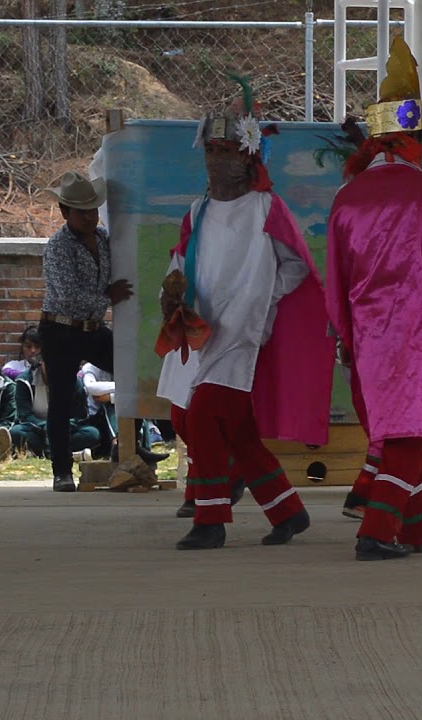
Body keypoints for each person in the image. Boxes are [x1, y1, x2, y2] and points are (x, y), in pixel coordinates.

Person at [158, 75, 335, 551]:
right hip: (202, 330)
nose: (217, 160)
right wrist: (170, 294)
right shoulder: (197, 211)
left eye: (227, 151)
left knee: (204, 418)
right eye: (211, 151)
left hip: (242, 330)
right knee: (238, 433)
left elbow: (298, 265)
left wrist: (263, 297)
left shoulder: (266, 207)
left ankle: (211, 520)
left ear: (248, 157)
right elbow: (180, 264)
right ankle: (288, 511)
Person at [324, 36, 422, 560]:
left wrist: (345, 334)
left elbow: (334, 277)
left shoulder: (347, 198)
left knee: (388, 428)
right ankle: (377, 528)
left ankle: (418, 526)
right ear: (416, 139)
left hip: (366, 337)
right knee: (413, 432)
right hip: (415, 333)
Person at [39, 171, 133, 491]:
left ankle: (132, 444)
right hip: (60, 329)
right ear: (65, 212)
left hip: (93, 328)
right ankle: (61, 471)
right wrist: (109, 296)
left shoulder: (104, 239)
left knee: (131, 371)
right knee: (62, 400)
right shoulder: (58, 246)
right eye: (82, 212)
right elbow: (68, 295)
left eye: (93, 210)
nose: (90, 217)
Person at [12, 356, 101, 461]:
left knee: (92, 434)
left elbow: (81, 416)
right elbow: (25, 416)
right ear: (41, 362)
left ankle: (46, 452)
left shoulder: (75, 382)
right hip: (38, 430)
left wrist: (61, 426)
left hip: (66, 430)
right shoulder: (24, 381)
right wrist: (47, 427)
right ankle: (69, 454)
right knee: (16, 432)